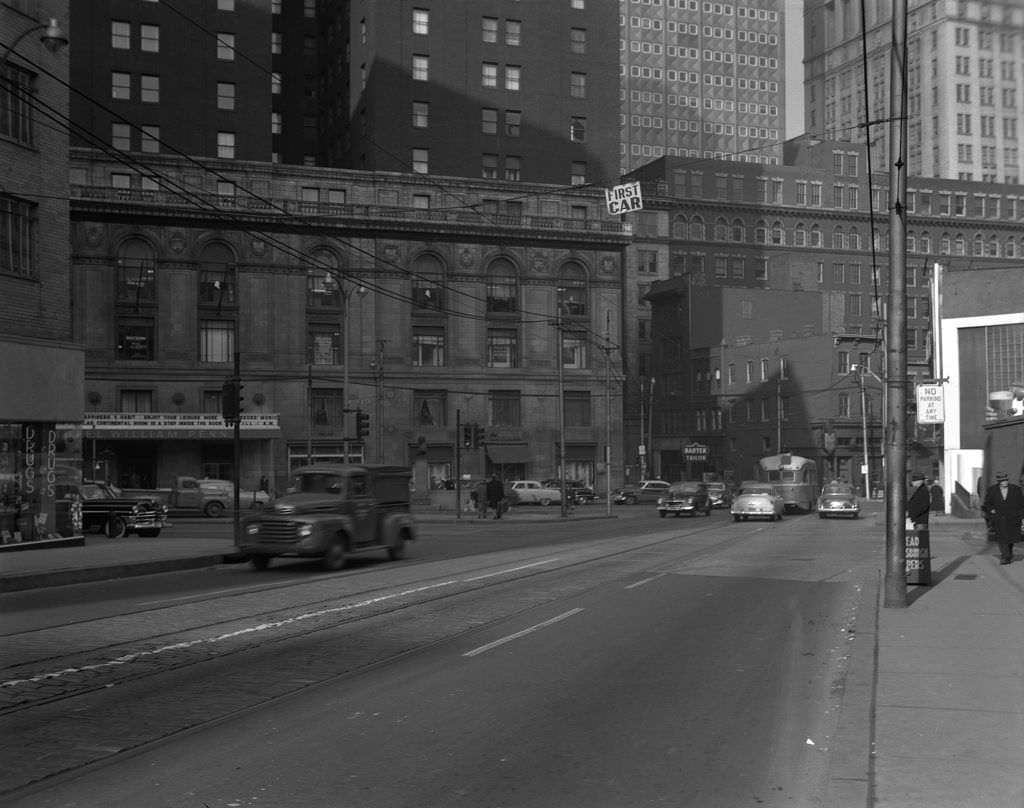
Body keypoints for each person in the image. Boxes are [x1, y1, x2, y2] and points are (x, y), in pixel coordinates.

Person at [982, 471, 1024, 565]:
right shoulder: (992, 490)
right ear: (999, 481)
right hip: (999, 518)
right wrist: (992, 510)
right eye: (1002, 481)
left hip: (1013, 518)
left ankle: (1008, 553)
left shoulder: (1016, 489)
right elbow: (987, 504)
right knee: (1002, 538)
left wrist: (1022, 518)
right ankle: (1005, 557)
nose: (1005, 482)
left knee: (1010, 539)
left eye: (1006, 480)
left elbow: (1021, 504)